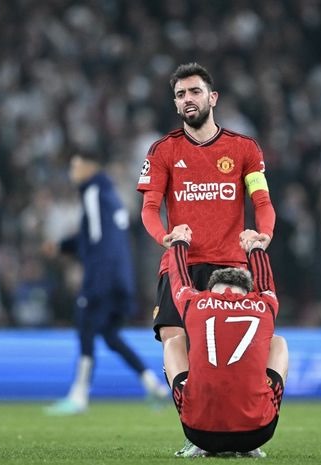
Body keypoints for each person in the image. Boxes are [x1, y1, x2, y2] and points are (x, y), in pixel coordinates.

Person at [136, 63, 276, 451]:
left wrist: (263, 236)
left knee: (237, 349)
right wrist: (165, 236)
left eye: (194, 92)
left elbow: (262, 201)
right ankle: (197, 432)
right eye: (180, 95)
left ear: (212, 98)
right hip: (182, 263)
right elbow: (149, 209)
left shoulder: (244, 149)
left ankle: (247, 429)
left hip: (232, 266)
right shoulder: (163, 150)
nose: (187, 100)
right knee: (173, 340)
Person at [44, 150, 168, 416]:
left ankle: (79, 395)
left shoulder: (93, 193)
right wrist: (62, 246)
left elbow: (99, 243)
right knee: (110, 336)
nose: (72, 172)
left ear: (91, 166)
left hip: (103, 278)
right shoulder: (112, 197)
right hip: (121, 278)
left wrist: (93, 283)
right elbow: (99, 238)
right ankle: (152, 384)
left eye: (76, 165)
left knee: (85, 326)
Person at [165, 225, 288, 458]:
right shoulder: (264, 306)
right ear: (247, 292)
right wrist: (255, 247)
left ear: (211, 290)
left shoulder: (196, 303)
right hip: (259, 431)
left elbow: (179, 280)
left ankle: (195, 433)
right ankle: (255, 433)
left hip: (199, 431)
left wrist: (179, 243)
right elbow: (265, 283)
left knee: (174, 343)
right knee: (278, 342)